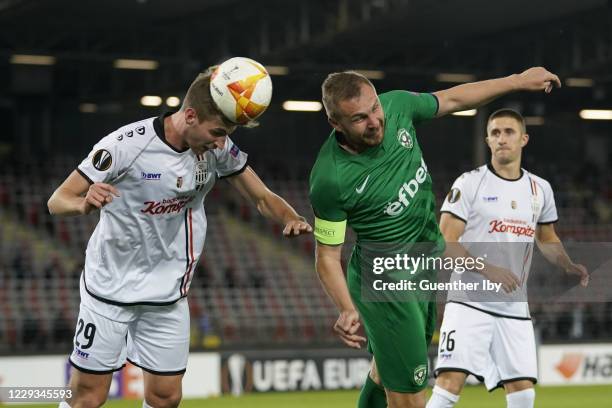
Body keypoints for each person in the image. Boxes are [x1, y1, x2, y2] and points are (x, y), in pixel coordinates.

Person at [47, 65, 312, 408]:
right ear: (189, 116)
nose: (221, 141)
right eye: (216, 131)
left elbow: (260, 196)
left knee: (165, 397)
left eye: (225, 133)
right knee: (88, 397)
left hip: (168, 293)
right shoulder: (126, 146)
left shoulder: (217, 147)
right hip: (110, 289)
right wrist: (84, 204)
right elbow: (57, 201)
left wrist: (289, 216)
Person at [308, 68, 562, 408]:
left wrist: (516, 81)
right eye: (359, 118)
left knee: (384, 375)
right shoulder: (330, 179)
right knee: (411, 399)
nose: (374, 121)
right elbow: (327, 256)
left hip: (423, 268)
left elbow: (454, 98)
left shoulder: (397, 106)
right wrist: (345, 308)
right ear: (335, 123)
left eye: (374, 108)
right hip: (386, 281)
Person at [427, 109, 589, 408]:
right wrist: (489, 270)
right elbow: (445, 241)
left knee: (524, 392)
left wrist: (567, 264)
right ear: (487, 139)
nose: (502, 138)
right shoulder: (470, 183)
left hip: (514, 305)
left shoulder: (540, 189)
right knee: (449, 384)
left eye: (509, 132)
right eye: (496, 133)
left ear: (524, 139)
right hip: (469, 301)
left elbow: (547, 237)